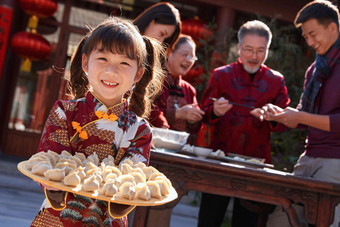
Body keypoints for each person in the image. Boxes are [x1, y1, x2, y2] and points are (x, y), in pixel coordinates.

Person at [30, 16, 164, 227]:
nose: (111, 71)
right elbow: (48, 165)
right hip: (57, 218)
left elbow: (131, 182)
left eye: (124, 63)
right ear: (85, 62)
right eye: (103, 59)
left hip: (107, 220)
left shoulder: (139, 130)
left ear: (138, 74)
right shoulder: (65, 112)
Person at [197, 20, 291, 227]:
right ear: (239, 48)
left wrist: (273, 117)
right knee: (209, 220)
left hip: (256, 163)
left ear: (267, 50)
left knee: (247, 222)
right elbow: (203, 113)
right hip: (220, 159)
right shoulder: (221, 75)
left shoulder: (276, 80)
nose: (254, 56)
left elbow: (285, 122)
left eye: (260, 50)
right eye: (248, 49)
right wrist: (214, 111)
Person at [258, 1, 340, 226]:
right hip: (309, 155)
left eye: (313, 34)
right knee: (280, 219)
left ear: (333, 28)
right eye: (306, 37)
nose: (310, 42)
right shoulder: (314, 69)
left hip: (336, 160)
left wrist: (300, 116)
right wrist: (280, 114)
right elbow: (303, 116)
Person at [149, 34, 204, 144]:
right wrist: (177, 114)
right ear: (169, 52)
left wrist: (195, 119)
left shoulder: (189, 89)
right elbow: (148, 112)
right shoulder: (152, 80)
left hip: (179, 147)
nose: (189, 60)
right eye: (185, 54)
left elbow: (193, 129)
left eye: (192, 57)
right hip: (152, 144)